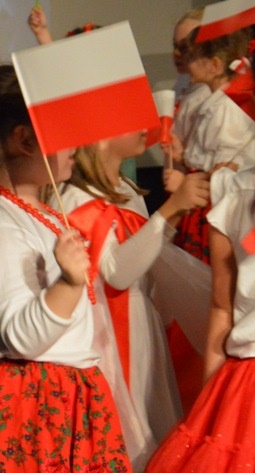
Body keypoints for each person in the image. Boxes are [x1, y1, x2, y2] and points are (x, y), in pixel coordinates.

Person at [0, 65, 131, 472]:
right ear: (24, 139)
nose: (76, 144)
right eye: (62, 132)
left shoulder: (39, 213)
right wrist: (69, 282)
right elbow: (23, 337)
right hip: (31, 402)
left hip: (60, 393)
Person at [146, 21, 255, 471]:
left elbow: (222, 307)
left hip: (251, 389)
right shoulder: (234, 190)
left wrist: (213, 406)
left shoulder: (231, 192)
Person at [60, 131, 209, 469]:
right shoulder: (76, 198)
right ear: (99, 136)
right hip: (110, 331)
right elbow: (117, 272)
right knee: (128, 432)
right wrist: (171, 208)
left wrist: (173, 215)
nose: (143, 127)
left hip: (139, 319)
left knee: (152, 420)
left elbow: (144, 254)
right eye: (127, 121)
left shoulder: (126, 189)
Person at [165, 27, 255, 263]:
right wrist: (181, 155)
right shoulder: (213, 104)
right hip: (203, 203)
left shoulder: (227, 109)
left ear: (215, 65)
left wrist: (186, 181)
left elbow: (229, 170)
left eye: (193, 56)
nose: (187, 61)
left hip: (215, 207)